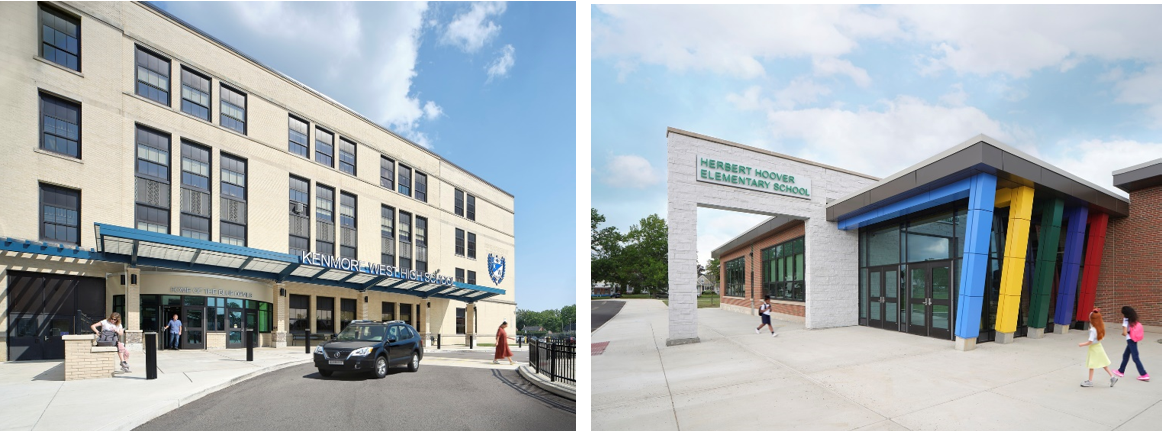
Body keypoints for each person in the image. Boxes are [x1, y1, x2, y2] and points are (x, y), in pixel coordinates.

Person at [1078, 308, 1118, 388]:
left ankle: (1090, 381)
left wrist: (1082, 344)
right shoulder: (1100, 327)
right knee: (1103, 363)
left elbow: (1090, 341)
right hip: (1099, 347)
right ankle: (1112, 377)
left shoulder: (1092, 330)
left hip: (1093, 349)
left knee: (1091, 364)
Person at [1115, 306, 1150, 381]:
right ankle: (1121, 371)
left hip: (1130, 339)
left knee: (1135, 357)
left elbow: (1124, 333)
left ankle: (1144, 374)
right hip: (1134, 338)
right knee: (1125, 355)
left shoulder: (1125, 320)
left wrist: (1123, 333)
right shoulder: (1133, 319)